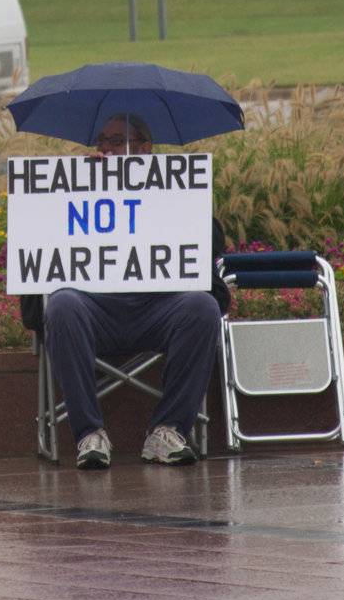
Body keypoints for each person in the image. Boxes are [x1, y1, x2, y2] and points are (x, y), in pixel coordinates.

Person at [42, 112, 229, 469]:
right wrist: (80, 186)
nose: (107, 149)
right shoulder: (80, 183)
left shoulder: (173, 187)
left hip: (158, 308)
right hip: (93, 309)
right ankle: (89, 435)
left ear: (144, 147)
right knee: (61, 305)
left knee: (202, 308)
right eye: (103, 141)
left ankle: (168, 431)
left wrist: (166, 195)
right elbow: (43, 243)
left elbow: (212, 243)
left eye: (117, 141)